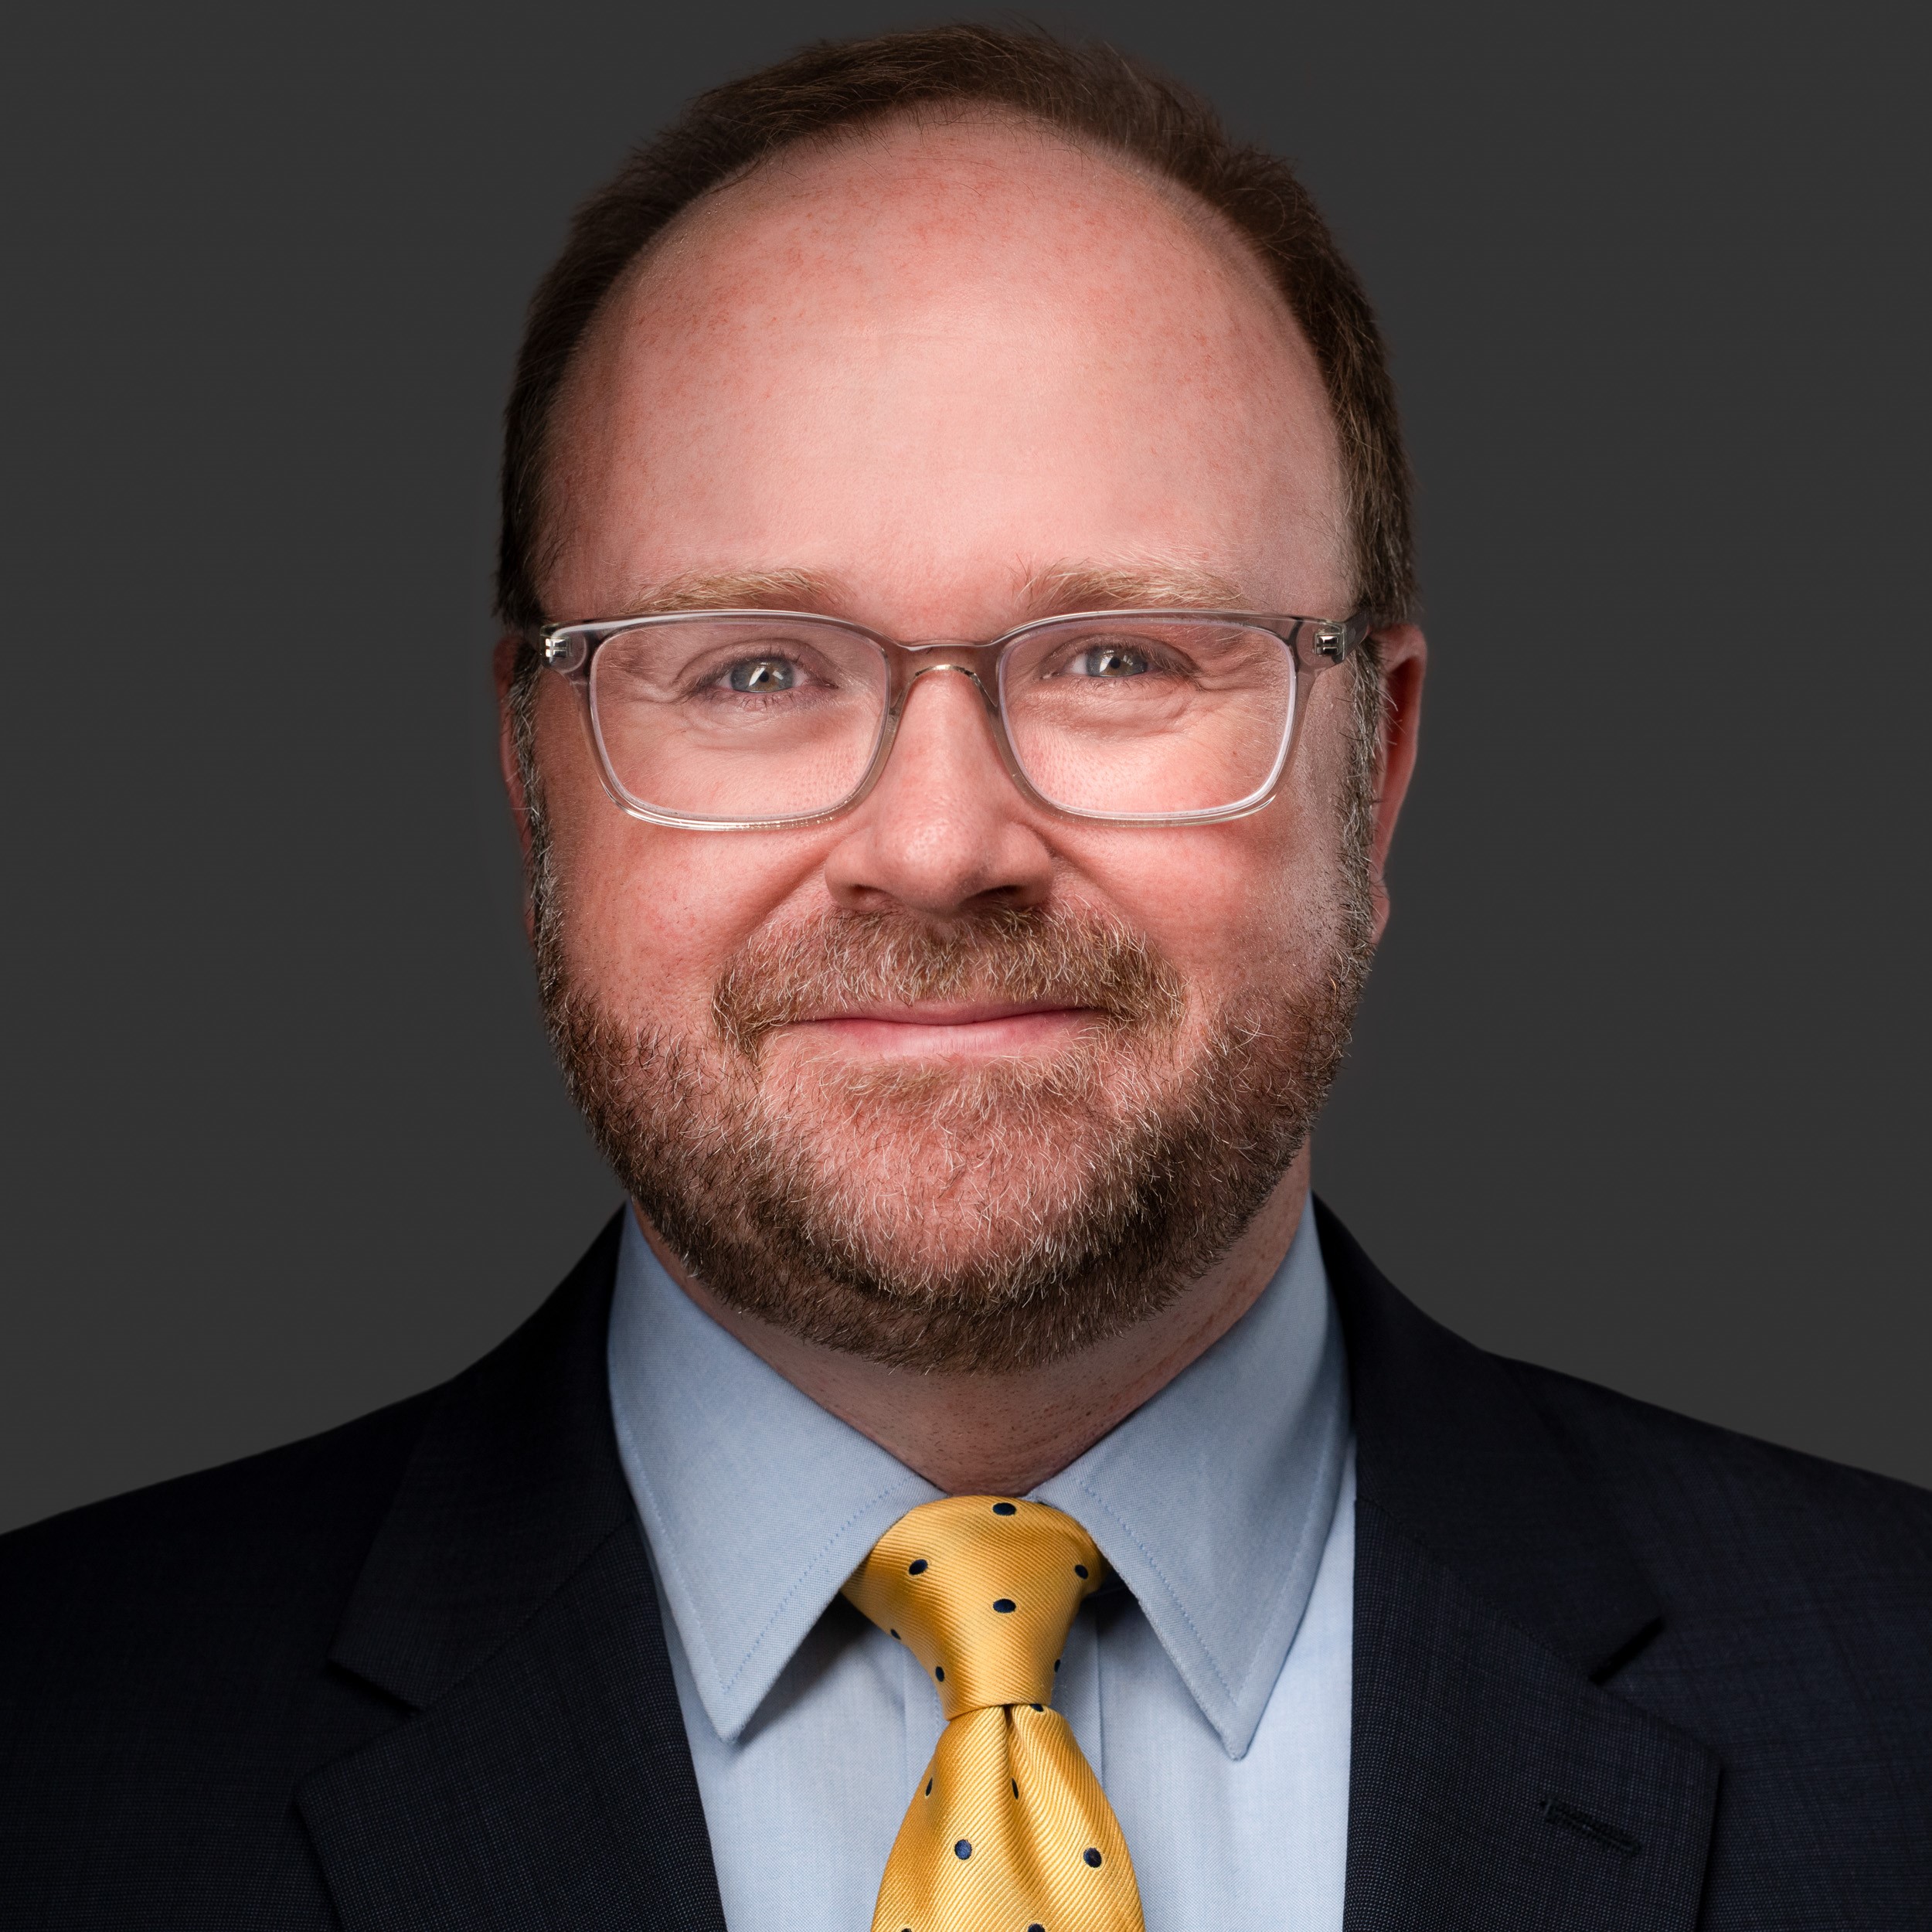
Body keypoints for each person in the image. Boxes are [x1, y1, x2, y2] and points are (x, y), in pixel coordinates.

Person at [2, 24, 1926, 1930]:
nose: (938, 846)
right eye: (754, 670)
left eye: (1119, 657)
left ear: (1378, 760)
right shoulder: (62, 1747)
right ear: (531, 773)